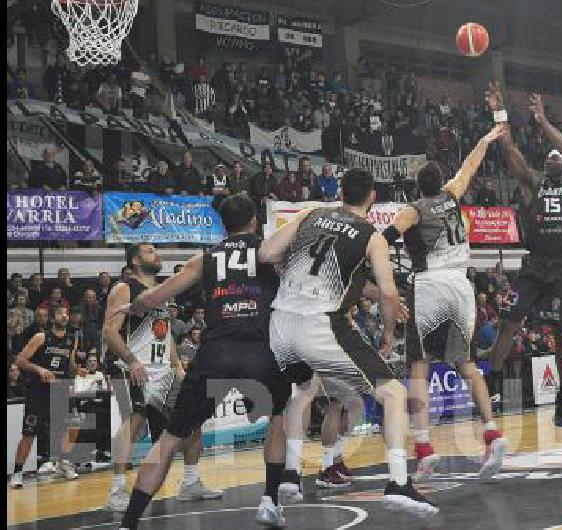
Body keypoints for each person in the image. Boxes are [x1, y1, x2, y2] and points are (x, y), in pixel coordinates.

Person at [263, 169, 438, 513]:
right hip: (321, 325)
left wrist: (293, 278)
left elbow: (267, 254)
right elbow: (389, 293)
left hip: (281, 323)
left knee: (302, 392)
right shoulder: (372, 237)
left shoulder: (311, 214)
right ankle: (399, 483)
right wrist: (388, 333)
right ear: (372, 196)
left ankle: (290, 475)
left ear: (341, 192)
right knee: (394, 393)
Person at [114, 195, 291, 528]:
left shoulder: (204, 258)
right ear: (254, 220)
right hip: (261, 350)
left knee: (169, 439)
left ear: (223, 225)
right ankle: (270, 500)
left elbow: (153, 298)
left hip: (216, 353)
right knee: (278, 418)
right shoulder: (270, 251)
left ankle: (128, 523)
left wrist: (132, 307)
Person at [384, 125, 508, 481]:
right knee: (467, 364)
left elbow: (388, 236)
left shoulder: (414, 210)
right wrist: (485, 138)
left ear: (417, 187)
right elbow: (469, 166)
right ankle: (492, 432)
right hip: (461, 285)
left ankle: (424, 449)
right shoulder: (452, 195)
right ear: (440, 182)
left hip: (431, 285)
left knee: (419, 368)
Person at [484, 82, 562, 427]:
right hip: (534, 264)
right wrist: (500, 114)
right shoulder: (532, 184)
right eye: (550, 156)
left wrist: (543, 123)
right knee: (509, 323)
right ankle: (493, 383)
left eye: (556, 156)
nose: (554, 157)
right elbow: (510, 152)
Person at [102, 243, 220, 513]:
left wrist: (176, 364)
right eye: (149, 250)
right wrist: (132, 362)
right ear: (134, 260)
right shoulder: (124, 288)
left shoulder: (161, 293)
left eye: (156, 250)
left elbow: (164, 335)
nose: (156, 254)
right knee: (135, 418)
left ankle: (190, 482)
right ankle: (117, 489)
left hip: (162, 370)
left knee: (193, 415)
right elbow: (110, 332)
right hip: (130, 365)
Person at [10, 307, 80, 488]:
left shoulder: (72, 339)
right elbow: (20, 360)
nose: (64, 316)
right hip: (38, 392)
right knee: (29, 433)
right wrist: (40, 369)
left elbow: (70, 365)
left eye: (66, 313)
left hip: (60, 390)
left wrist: (78, 370)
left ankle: (63, 463)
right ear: (53, 317)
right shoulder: (41, 337)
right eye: (60, 313)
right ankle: (17, 473)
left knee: (70, 427)